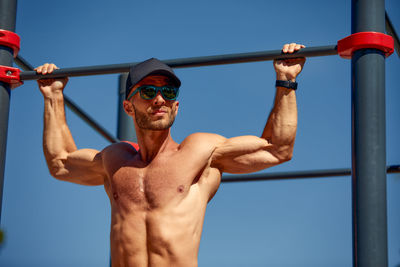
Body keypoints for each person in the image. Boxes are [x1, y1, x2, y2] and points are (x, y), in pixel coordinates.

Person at [35, 43, 306, 267]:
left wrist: (286, 80)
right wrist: (53, 95)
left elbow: (277, 149)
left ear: (176, 105)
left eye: (168, 92)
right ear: (129, 107)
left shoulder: (200, 151)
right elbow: (60, 162)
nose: (160, 99)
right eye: (149, 91)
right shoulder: (115, 160)